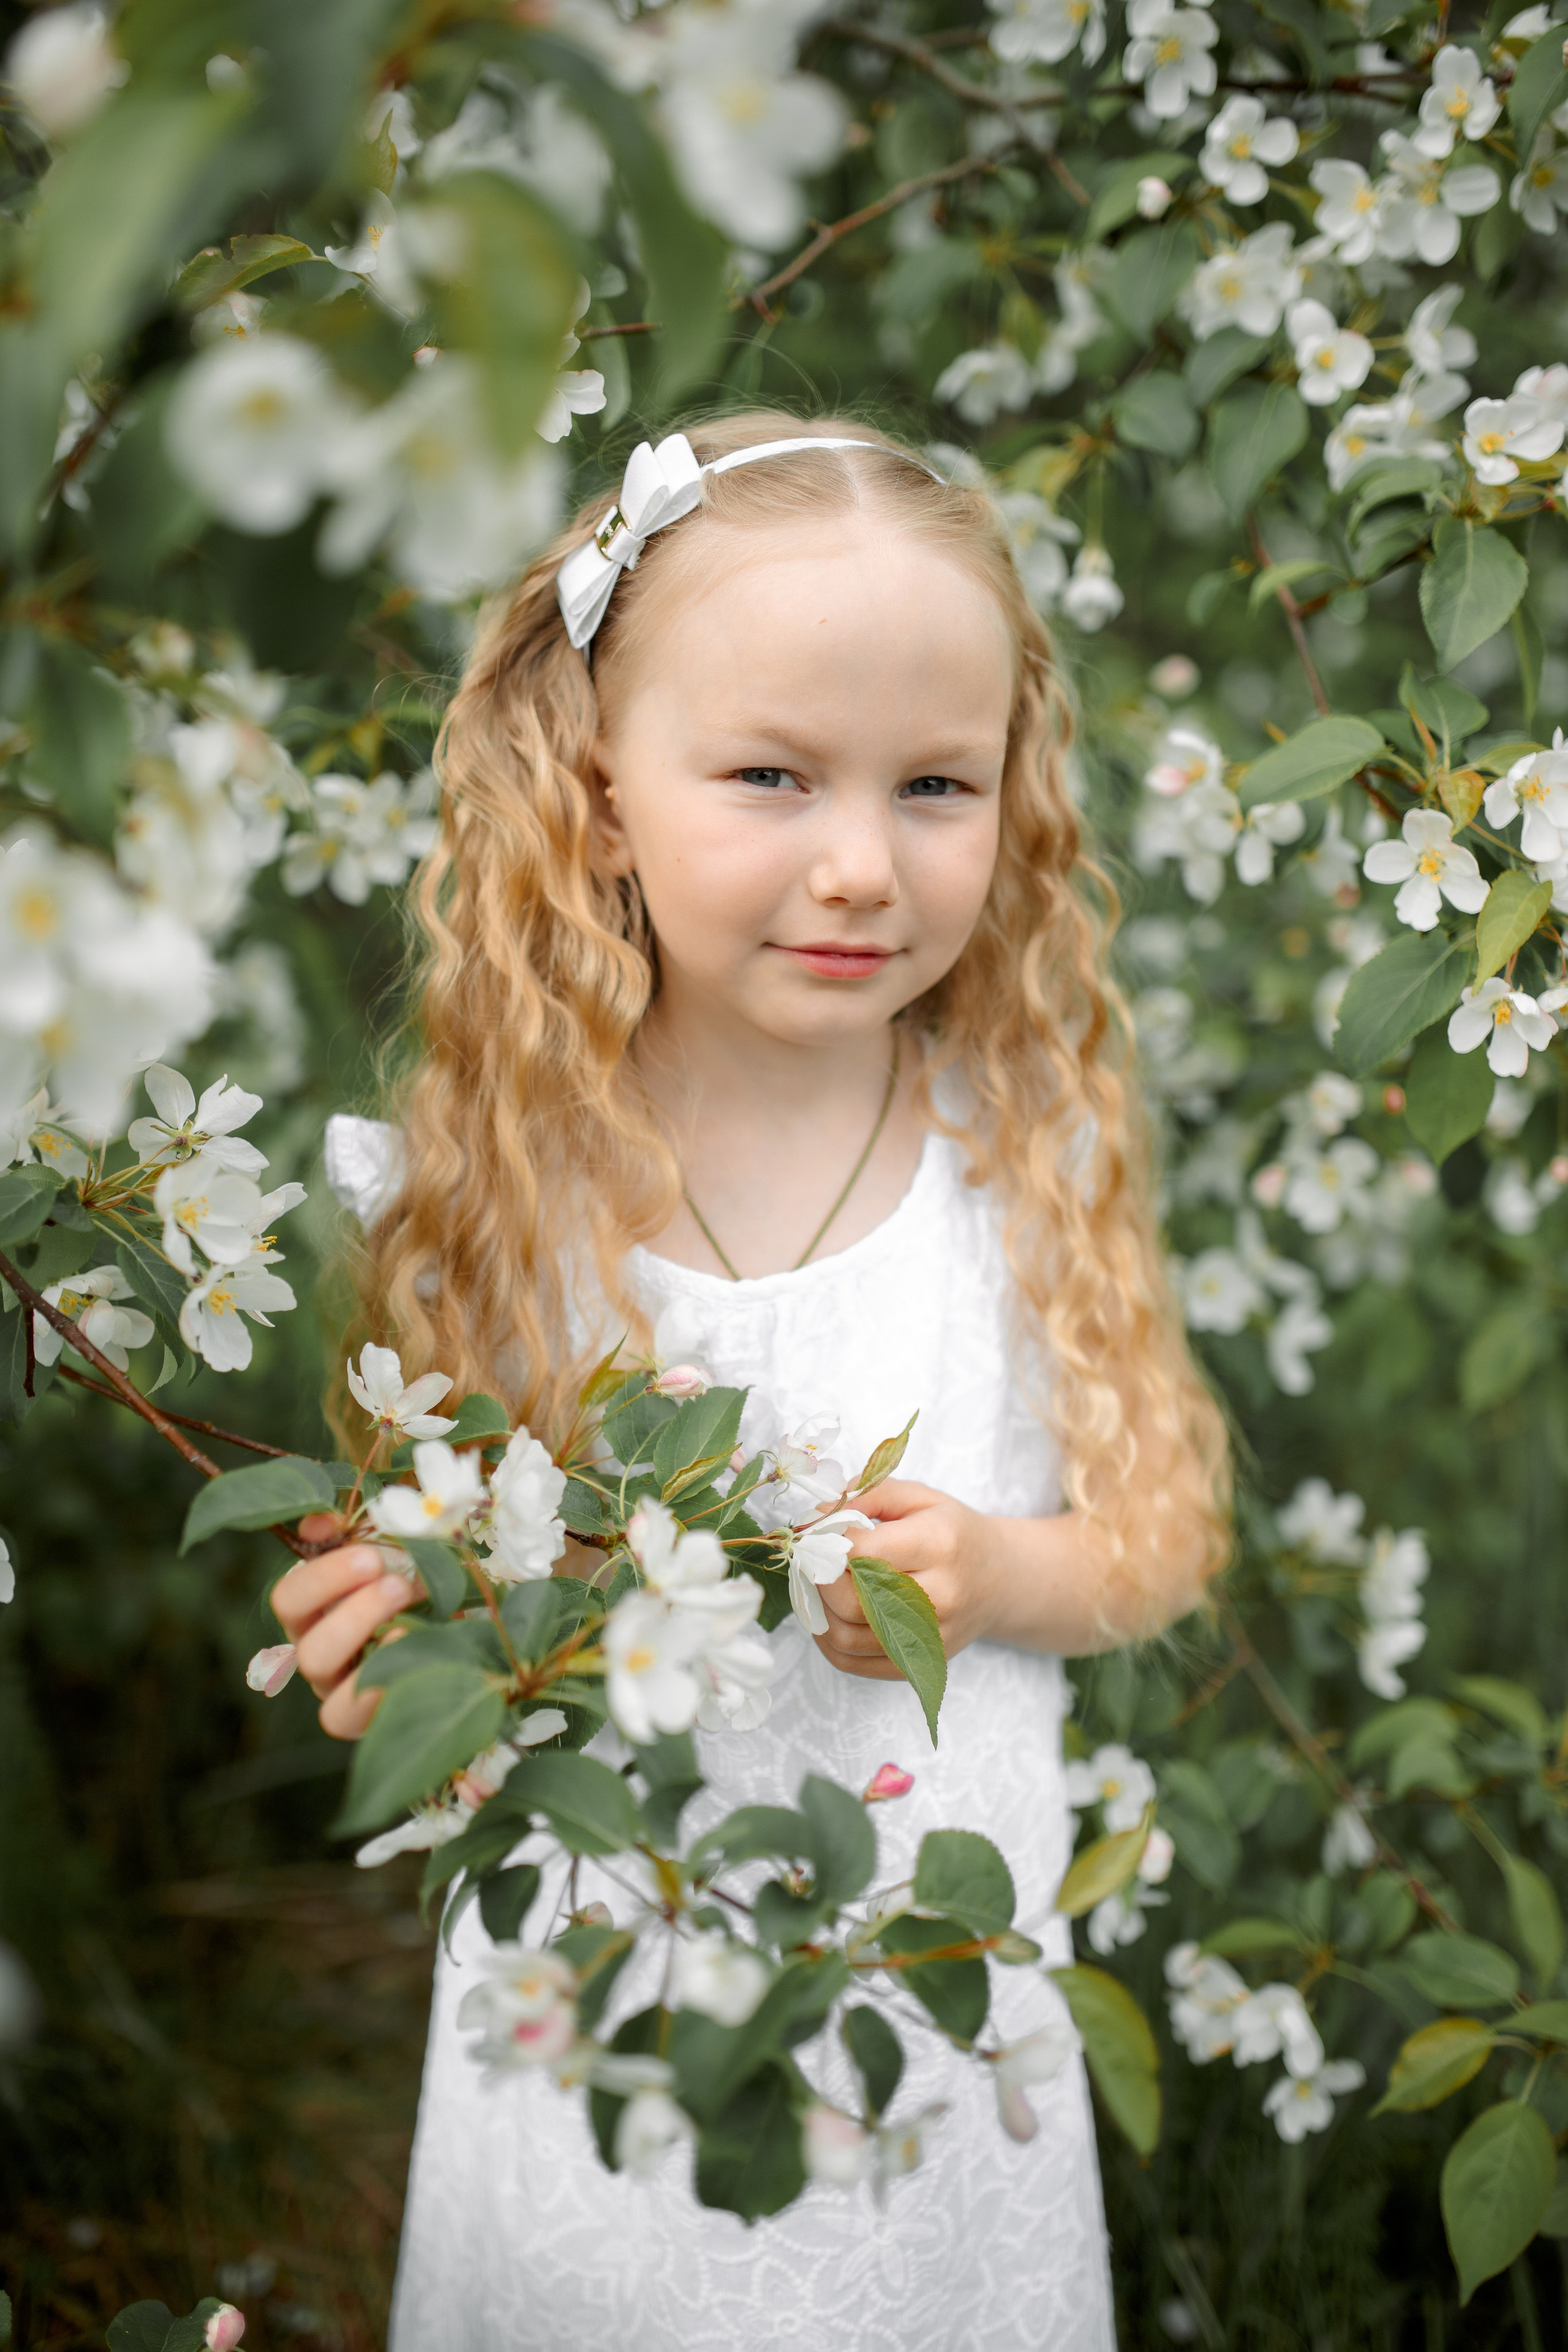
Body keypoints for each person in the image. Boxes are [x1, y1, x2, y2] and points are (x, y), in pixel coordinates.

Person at [269, 410, 1231, 2350]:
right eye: (773, 775)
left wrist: (1005, 1574)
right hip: (602, 2015)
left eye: (938, 784)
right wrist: (372, 1645)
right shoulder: (498, 1190)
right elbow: (426, 1607)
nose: (862, 864)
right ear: (600, 786)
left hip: (927, 2035)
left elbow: (1165, 1535)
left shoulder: (1014, 1153)